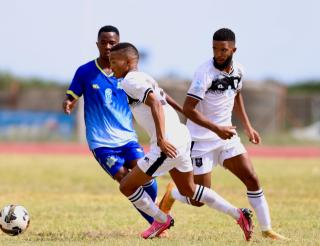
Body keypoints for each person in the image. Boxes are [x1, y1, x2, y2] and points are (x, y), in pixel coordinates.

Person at [109, 42, 254, 240]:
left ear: (127, 62)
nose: (111, 66)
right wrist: (181, 110)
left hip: (167, 143)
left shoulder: (129, 81)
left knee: (126, 186)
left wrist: (161, 138)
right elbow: (162, 96)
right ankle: (239, 215)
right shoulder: (144, 77)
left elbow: (154, 103)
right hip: (181, 135)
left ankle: (161, 220)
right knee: (190, 190)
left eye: (114, 61)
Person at [159, 28, 287, 240]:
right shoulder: (204, 72)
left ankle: (267, 230)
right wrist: (216, 129)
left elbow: (236, 95)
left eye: (223, 49)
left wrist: (247, 126)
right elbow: (188, 108)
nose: (218, 53)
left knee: (252, 178)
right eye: (215, 48)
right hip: (201, 141)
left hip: (227, 139)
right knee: (198, 199)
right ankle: (172, 193)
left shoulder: (239, 70)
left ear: (233, 49)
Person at [62, 25, 158, 225]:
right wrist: (68, 102)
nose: (107, 46)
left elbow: (150, 96)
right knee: (125, 180)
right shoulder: (85, 71)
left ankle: (156, 211)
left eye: (112, 43)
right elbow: (72, 94)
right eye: (103, 42)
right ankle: (156, 222)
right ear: (97, 44)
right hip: (101, 143)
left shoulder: (128, 75)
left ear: (119, 44)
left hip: (128, 138)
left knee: (145, 176)